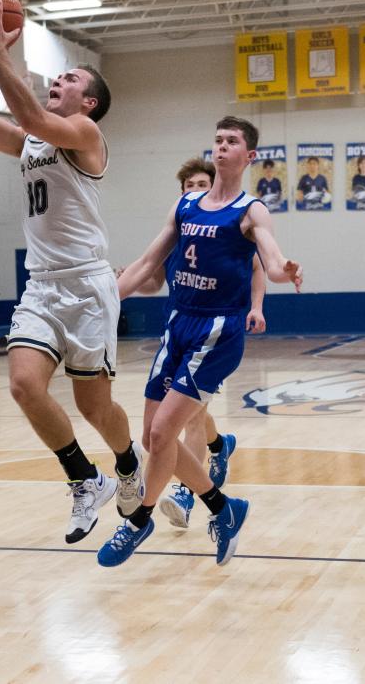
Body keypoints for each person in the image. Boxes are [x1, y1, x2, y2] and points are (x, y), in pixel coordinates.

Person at [0, 0, 146, 542]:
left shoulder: (86, 134)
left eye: (69, 78)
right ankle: (85, 479)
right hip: (42, 286)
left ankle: (127, 463)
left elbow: (33, 116)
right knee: (21, 384)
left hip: (87, 286)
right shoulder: (30, 143)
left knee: (94, 406)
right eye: (57, 75)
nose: (57, 80)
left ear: (88, 102)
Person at [98, 116, 302, 568]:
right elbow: (146, 262)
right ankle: (222, 508)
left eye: (232, 141)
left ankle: (138, 521)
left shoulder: (251, 211)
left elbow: (268, 258)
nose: (222, 146)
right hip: (178, 325)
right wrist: (106, 300)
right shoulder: (186, 204)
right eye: (218, 139)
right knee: (156, 442)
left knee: (161, 431)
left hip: (217, 332)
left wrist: (284, 269)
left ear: (248, 156)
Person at [124, 158, 266, 532]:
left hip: (213, 333)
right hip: (179, 329)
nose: (197, 191)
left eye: (204, 184)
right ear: (183, 191)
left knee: (181, 421)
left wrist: (257, 307)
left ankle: (188, 492)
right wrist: (122, 283)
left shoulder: (229, 228)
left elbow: (257, 268)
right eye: (191, 186)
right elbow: (152, 281)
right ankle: (219, 447)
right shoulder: (178, 231)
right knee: (180, 420)